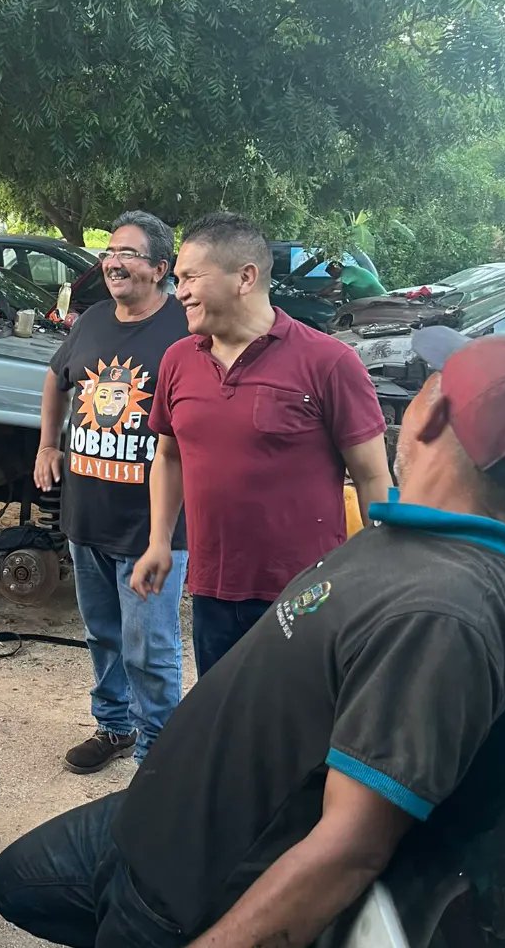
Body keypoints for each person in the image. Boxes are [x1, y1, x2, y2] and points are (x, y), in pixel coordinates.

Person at [0, 326, 505, 948]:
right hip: (156, 822)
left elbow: (350, 848)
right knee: (15, 881)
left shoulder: (443, 610)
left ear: (433, 415)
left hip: (188, 890)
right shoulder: (410, 541)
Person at [132, 212, 392, 674]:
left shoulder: (328, 362)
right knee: (224, 721)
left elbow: (372, 475)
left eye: (191, 277)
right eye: (177, 279)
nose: (181, 292)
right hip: (213, 587)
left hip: (305, 595)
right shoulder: (178, 360)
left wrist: (382, 574)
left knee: (294, 729)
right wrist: (158, 542)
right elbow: (169, 457)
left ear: (245, 278)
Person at [37, 211, 190, 771]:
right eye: (109, 251)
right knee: (102, 633)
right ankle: (115, 726)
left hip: (154, 527)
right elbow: (57, 377)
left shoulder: (186, 326)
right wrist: (47, 446)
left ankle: (159, 753)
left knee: (150, 647)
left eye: (126, 252)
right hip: (87, 515)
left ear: (160, 267)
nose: (112, 261)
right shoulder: (94, 318)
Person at [322, 258, 388, 302]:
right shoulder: (346, 282)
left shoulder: (349, 271)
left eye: (332, 274)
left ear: (337, 268)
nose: (332, 277)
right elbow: (342, 296)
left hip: (379, 299)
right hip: (368, 301)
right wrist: (324, 300)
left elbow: (335, 286)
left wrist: (318, 293)